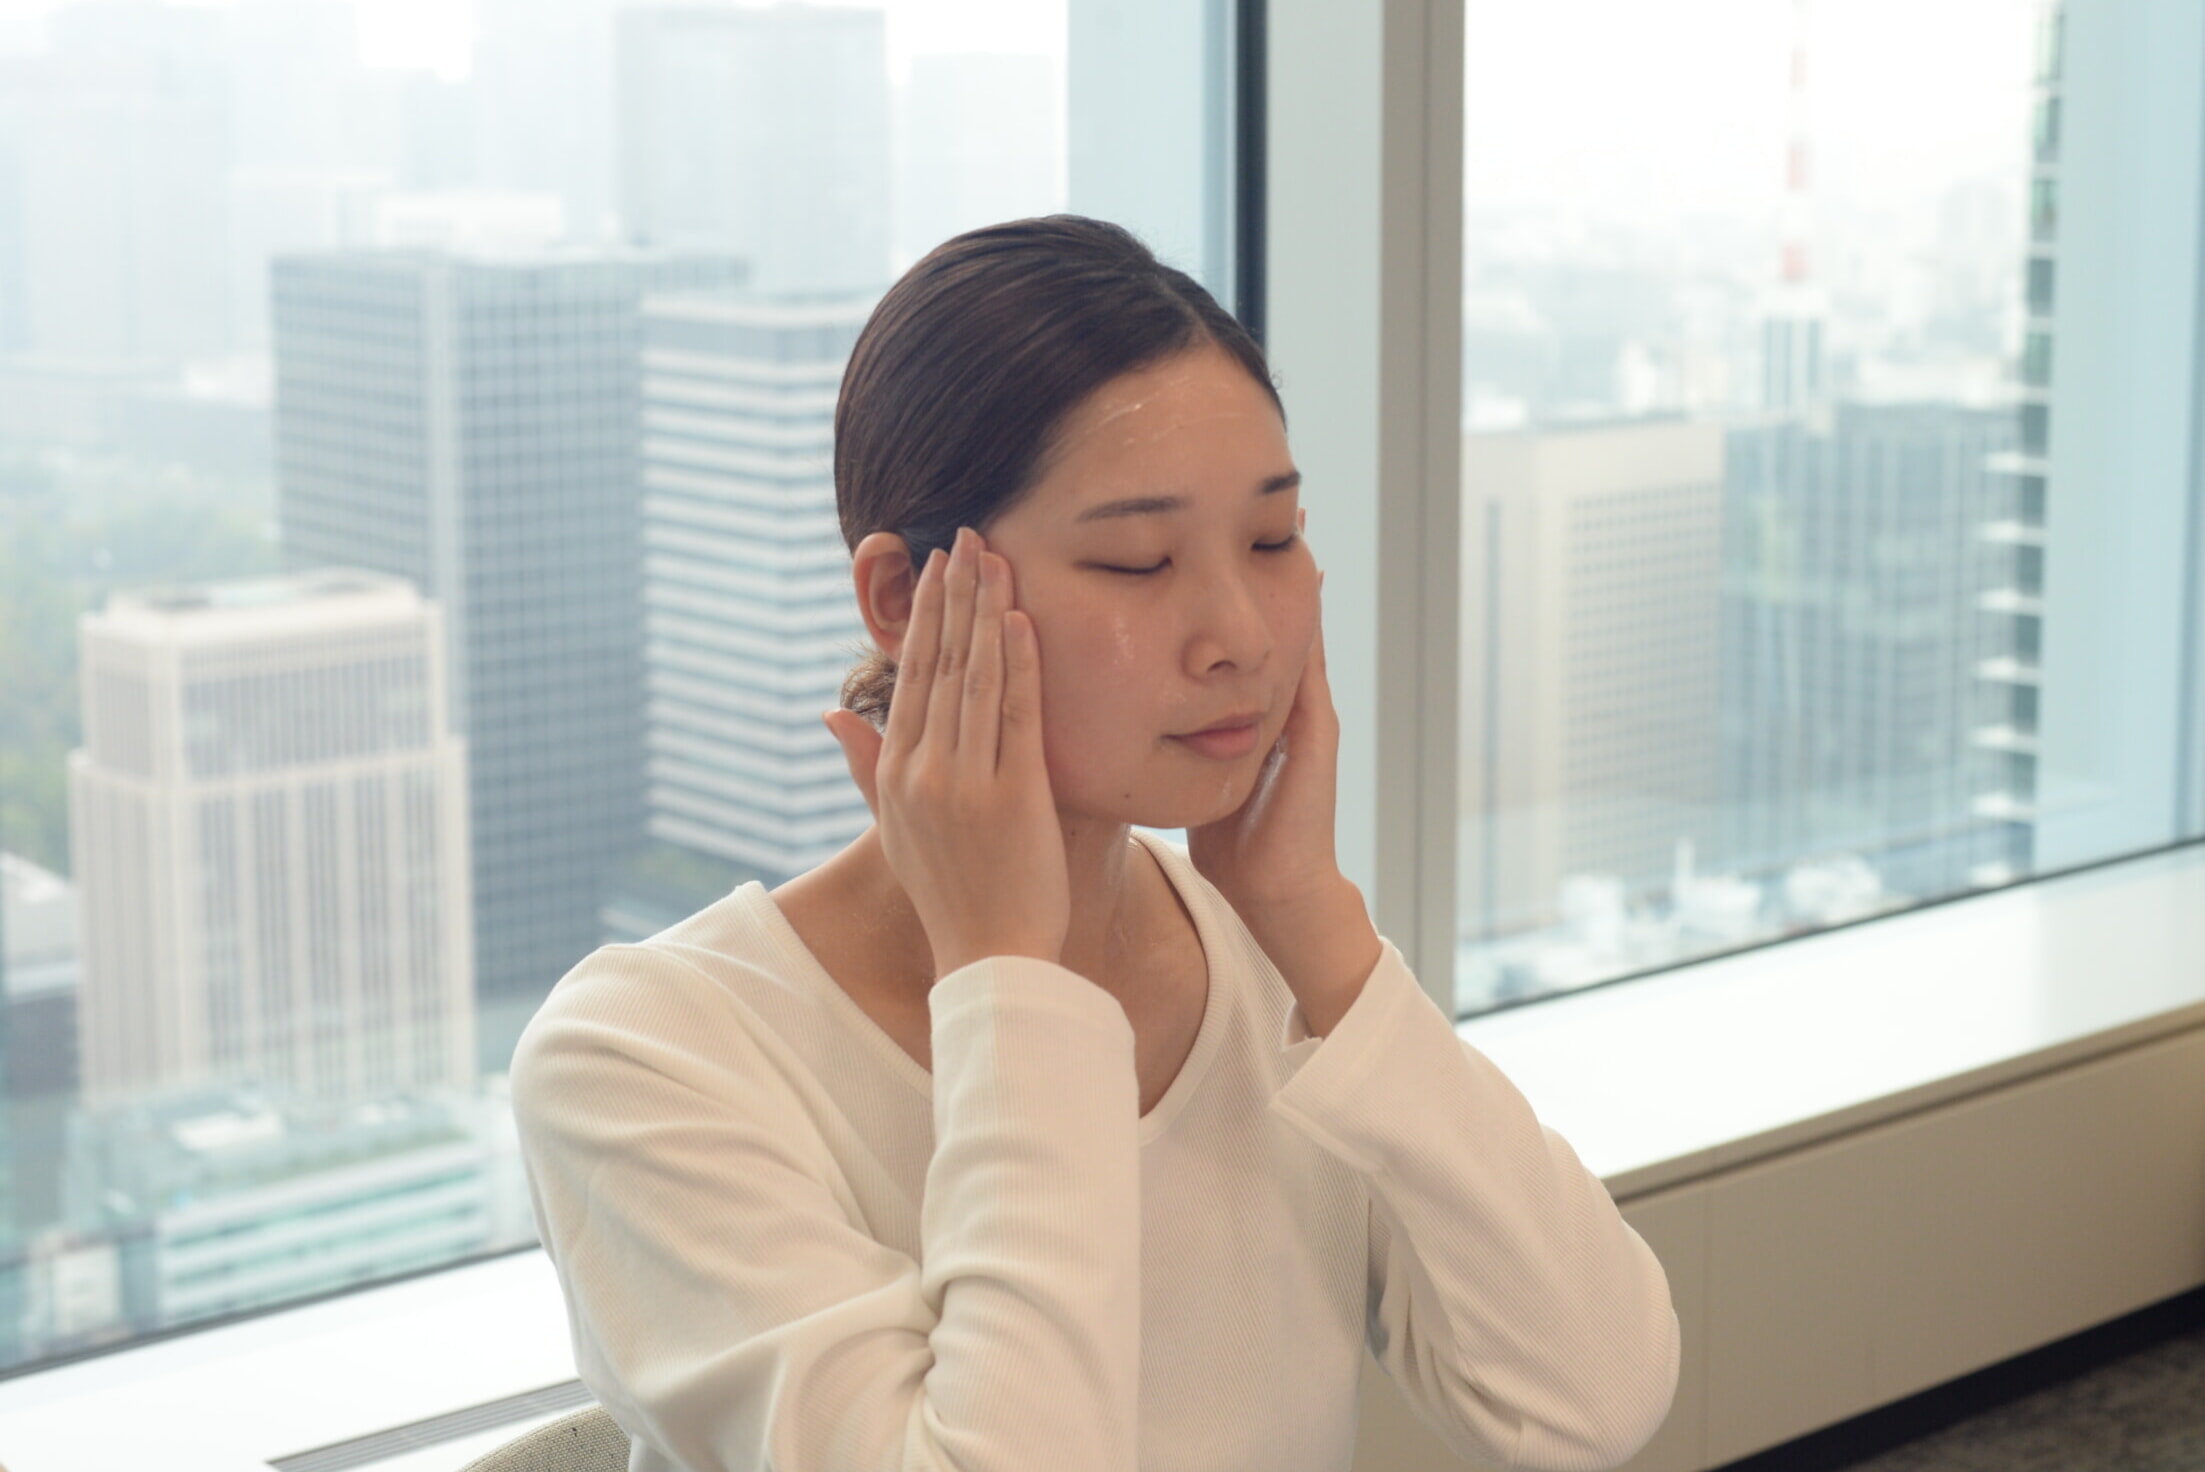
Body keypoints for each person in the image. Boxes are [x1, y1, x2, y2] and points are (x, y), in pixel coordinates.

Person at [509, 216, 1680, 1472]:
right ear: (907, 600)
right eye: (1137, 559)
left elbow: (1591, 1401)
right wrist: (1011, 976)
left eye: (1274, 540)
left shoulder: (1271, 959)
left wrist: (1317, 924)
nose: (1237, 630)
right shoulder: (646, 1055)